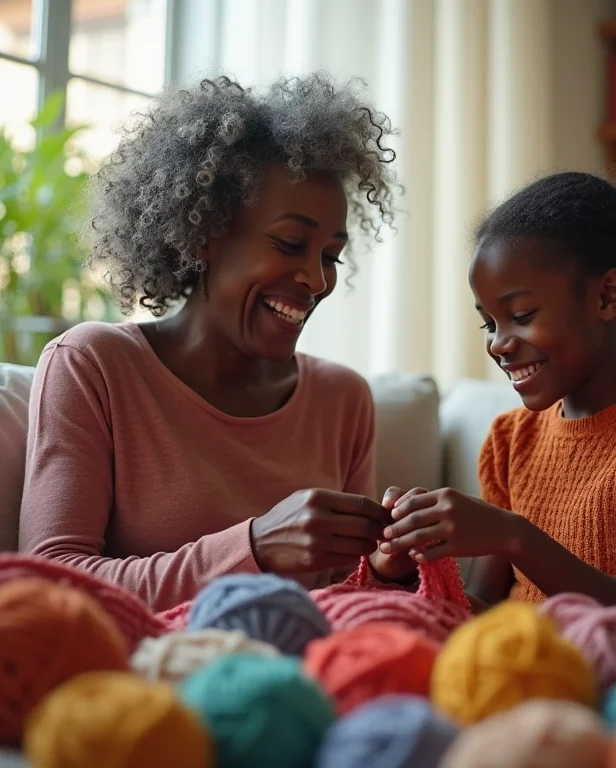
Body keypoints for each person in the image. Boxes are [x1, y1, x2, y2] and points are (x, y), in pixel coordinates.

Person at [19, 74, 416, 611]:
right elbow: (49, 586)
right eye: (291, 243)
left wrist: (388, 571)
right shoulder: (94, 366)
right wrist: (252, 546)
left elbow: (347, 607)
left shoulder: (342, 400)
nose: (318, 281)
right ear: (204, 233)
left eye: (330, 255)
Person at [378, 172, 616, 630]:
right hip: (520, 666)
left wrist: (515, 536)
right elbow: (482, 608)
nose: (497, 344)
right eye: (489, 323)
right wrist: (410, 564)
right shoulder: (510, 438)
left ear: (607, 296)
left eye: (521, 316)